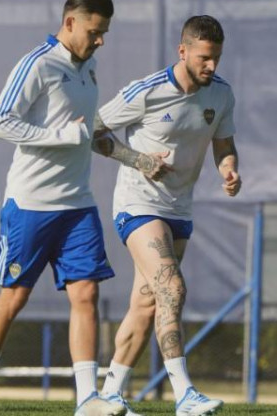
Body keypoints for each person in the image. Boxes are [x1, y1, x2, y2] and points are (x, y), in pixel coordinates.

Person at [0, 1, 127, 416]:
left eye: (104, 31)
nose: (100, 40)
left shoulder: (88, 67)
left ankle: (88, 398)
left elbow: (86, 134)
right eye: (94, 31)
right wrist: (63, 134)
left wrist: (140, 160)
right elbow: (0, 122)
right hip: (30, 205)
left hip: (78, 204)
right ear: (69, 22)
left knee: (86, 294)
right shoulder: (37, 63)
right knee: (14, 298)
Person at [92, 15, 239, 416]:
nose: (212, 66)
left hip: (179, 208)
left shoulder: (221, 94)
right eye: (205, 58)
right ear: (183, 51)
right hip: (138, 204)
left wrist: (229, 169)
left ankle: (107, 398)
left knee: (148, 304)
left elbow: (223, 146)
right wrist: (136, 158)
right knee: (171, 287)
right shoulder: (148, 90)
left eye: (217, 58)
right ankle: (185, 394)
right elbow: (91, 130)